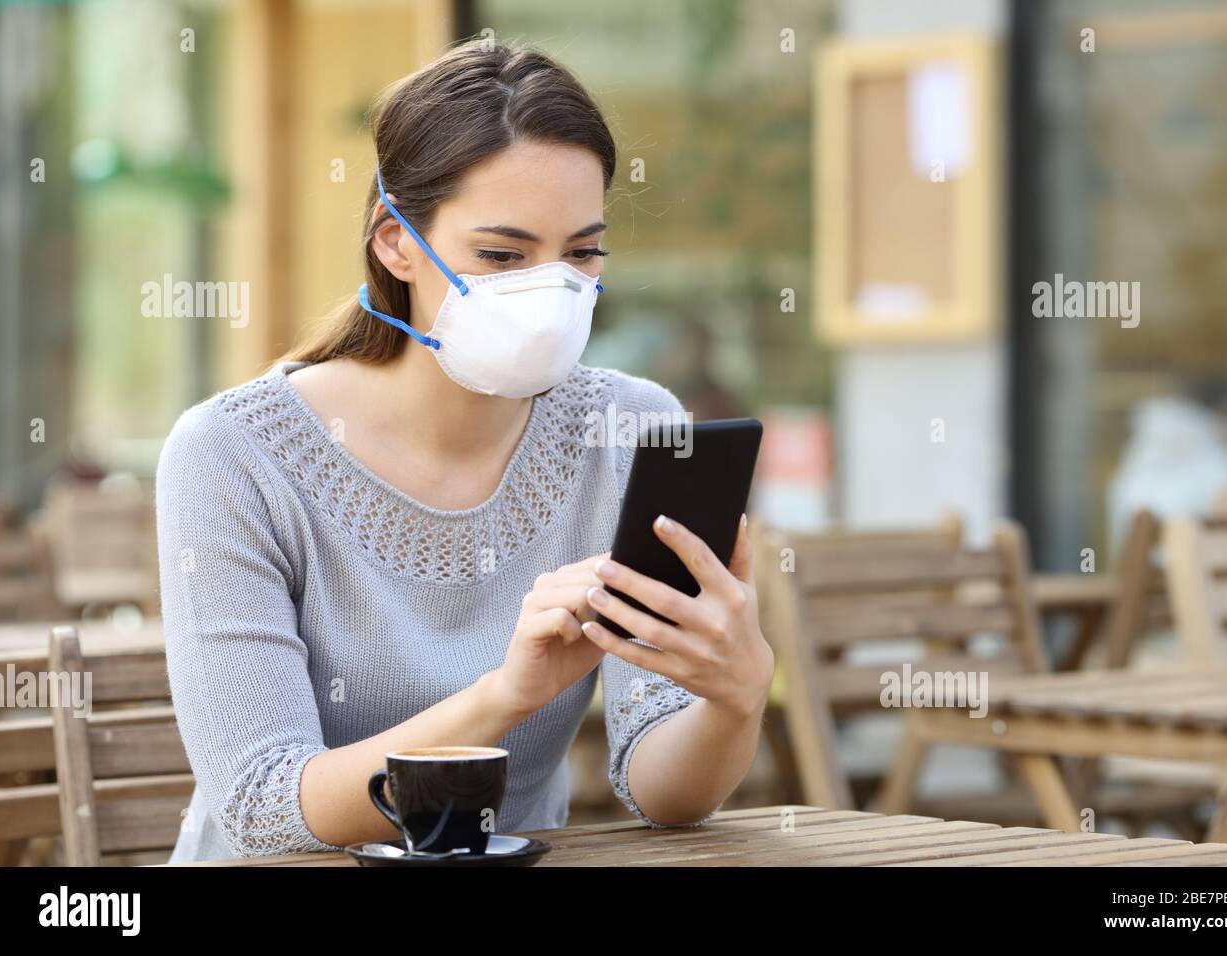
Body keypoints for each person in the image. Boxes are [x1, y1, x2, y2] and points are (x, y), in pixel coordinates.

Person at [155, 39, 775, 861]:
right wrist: (505, 697)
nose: (549, 293)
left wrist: (733, 698)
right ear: (394, 240)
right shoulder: (232, 455)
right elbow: (264, 807)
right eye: (502, 256)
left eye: (582, 253)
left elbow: (661, 793)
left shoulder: (632, 431)